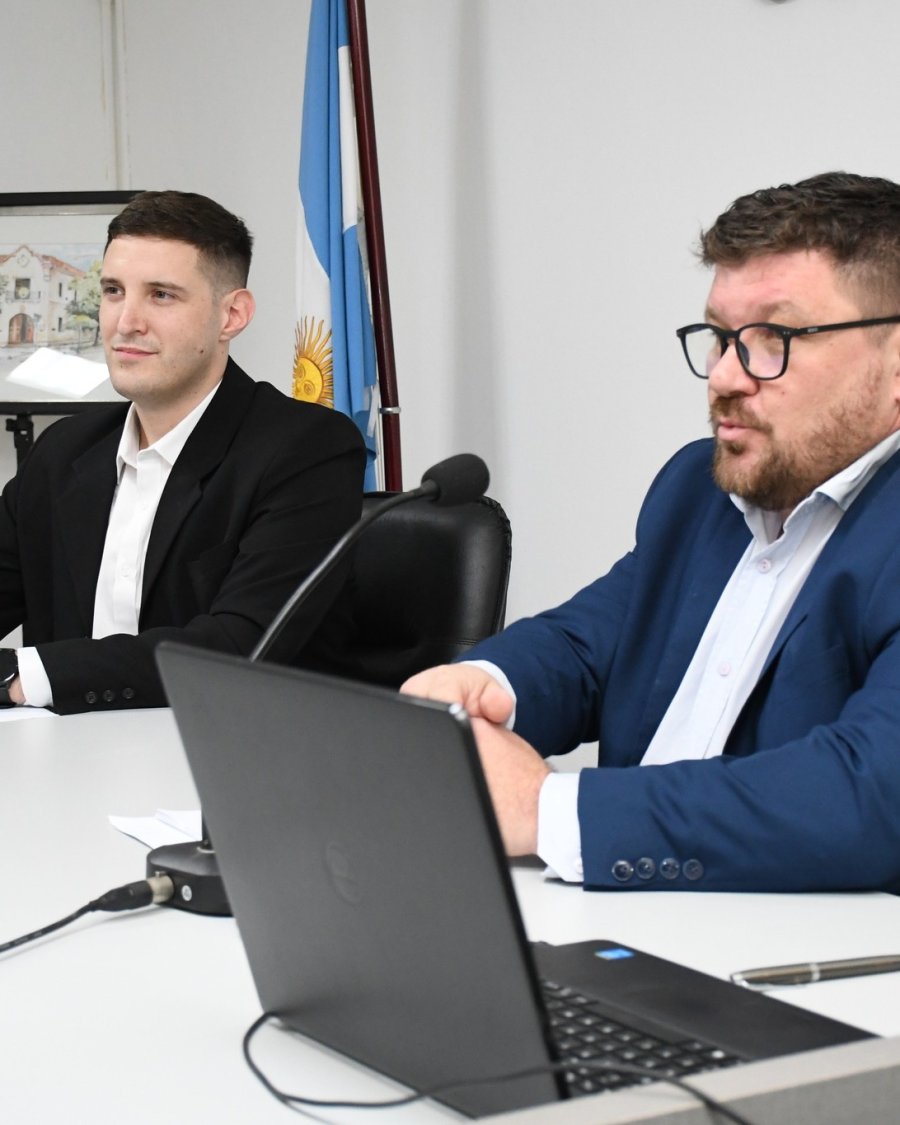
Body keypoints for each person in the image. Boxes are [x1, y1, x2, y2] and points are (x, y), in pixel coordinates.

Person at [403, 170, 900, 894]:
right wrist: (482, 685)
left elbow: (868, 795)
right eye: (722, 337)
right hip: (623, 921)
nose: (726, 376)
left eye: (774, 338)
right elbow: (590, 642)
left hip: (786, 966)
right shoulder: (697, 488)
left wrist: (546, 810)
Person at [0, 190, 365, 715]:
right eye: (112, 290)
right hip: (65, 763)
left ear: (232, 315)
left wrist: (20, 675)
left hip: (229, 763)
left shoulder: (307, 449)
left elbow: (238, 646)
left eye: (161, 296)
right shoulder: (63, 451)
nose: (126, 322)